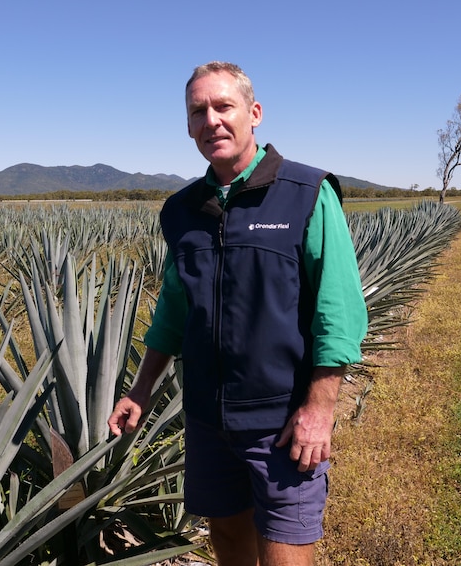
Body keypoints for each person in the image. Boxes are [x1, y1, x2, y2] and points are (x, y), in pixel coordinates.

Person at [108, 61, 367, 566]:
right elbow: (174, 311)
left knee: (284, 555)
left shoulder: (307, 193)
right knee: (228, 543)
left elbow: (339, 310)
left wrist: (320, 408)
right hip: (207, 418)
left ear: (254, 113)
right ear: (188, 125)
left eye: (223, 106)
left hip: (283, 422)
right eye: (198, 111)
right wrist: (140, 391)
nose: (212, 121)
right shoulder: (181, 210)